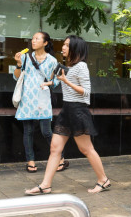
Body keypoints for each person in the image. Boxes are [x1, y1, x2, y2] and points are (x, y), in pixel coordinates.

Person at [25, 35, 110, 195]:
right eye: (63, 44)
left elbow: (86, 92)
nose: (62, 47)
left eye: (66, 45)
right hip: (67, 111)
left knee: (86, 149)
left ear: (75, 49)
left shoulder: (82, 67)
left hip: (78, 111)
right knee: (55, 149)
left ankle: (103, 180)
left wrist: (66, 80)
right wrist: (54, 80)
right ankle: (45, 185)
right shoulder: (70, 67)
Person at [13, 32, 66, 173]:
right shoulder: (25, 57)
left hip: (43, 98)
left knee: (46, 132)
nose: (33, 41)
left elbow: (55, 82)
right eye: (32, 39)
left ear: (45, 43)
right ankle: (30, 161)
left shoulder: (52, 61)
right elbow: (16, 77)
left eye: (37, 39)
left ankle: (60, 157)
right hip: (27, 99)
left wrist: (49, 83)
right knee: (28, 131)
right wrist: (18, 64)